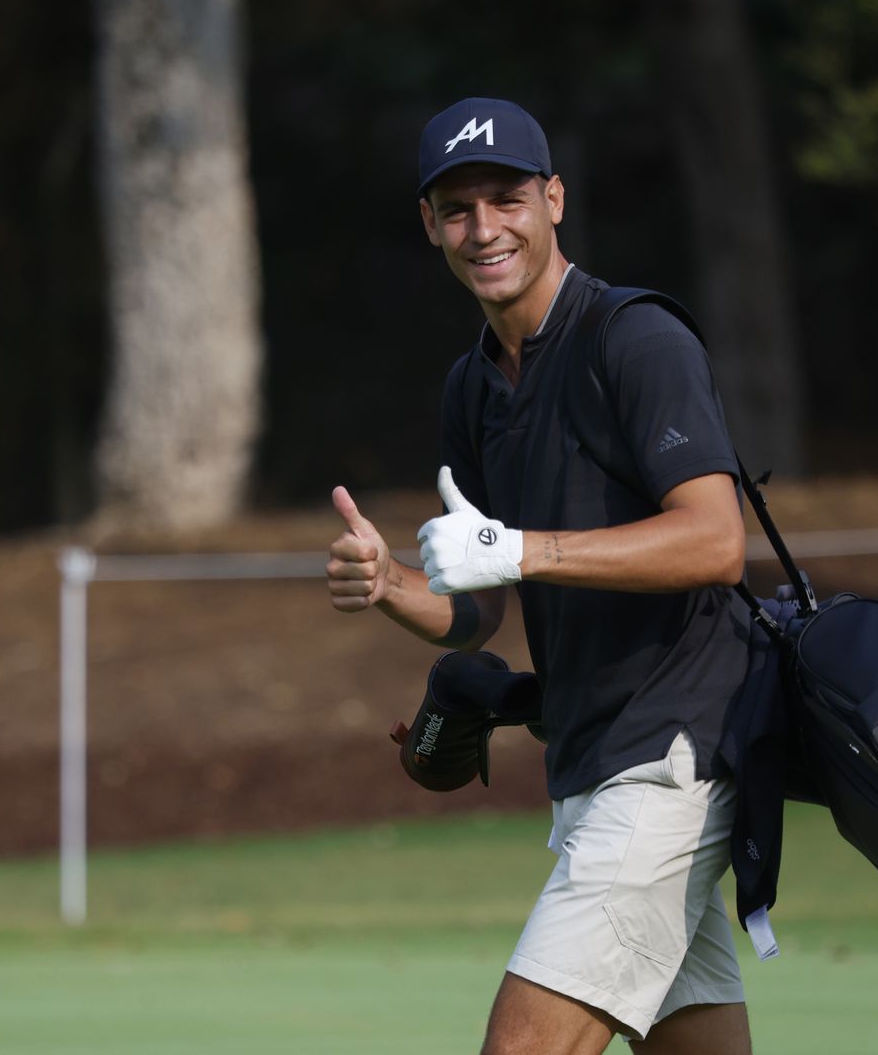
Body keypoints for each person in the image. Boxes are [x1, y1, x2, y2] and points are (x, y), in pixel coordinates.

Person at [325, 97, 754, 1055]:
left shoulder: (635, 339)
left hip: (671, 754)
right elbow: (478, 608)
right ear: (430, 225)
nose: (484, 229)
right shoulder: (472, 385)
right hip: (591, 763)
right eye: (458, 209)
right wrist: (391, 584)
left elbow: (715, 541)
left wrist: (523, 549)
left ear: (553, 201)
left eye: (507, 200)